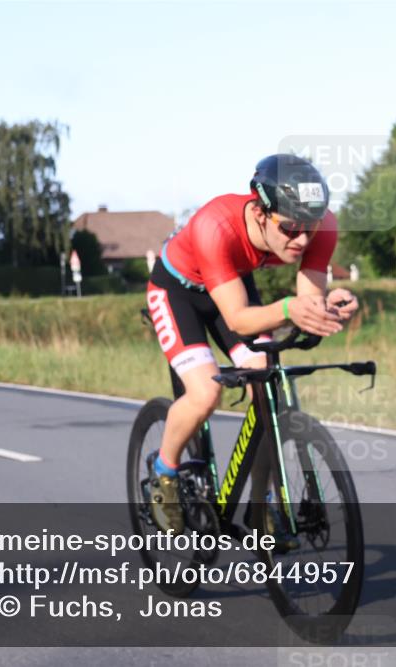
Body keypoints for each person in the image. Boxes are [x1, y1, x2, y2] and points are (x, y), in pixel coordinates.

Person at [145, 154, 359, 533]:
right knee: (204, 393)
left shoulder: (321, 227)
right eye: (291, 229)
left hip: (231, 281)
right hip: (178, 291)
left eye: (310, 229)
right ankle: (165, 476)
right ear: (261, 213)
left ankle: (264, 505)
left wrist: (324, 309)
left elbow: (306, 300)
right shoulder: (217, 225)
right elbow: (238, 319)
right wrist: (291, 308)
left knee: (267, 377)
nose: (303, 240)